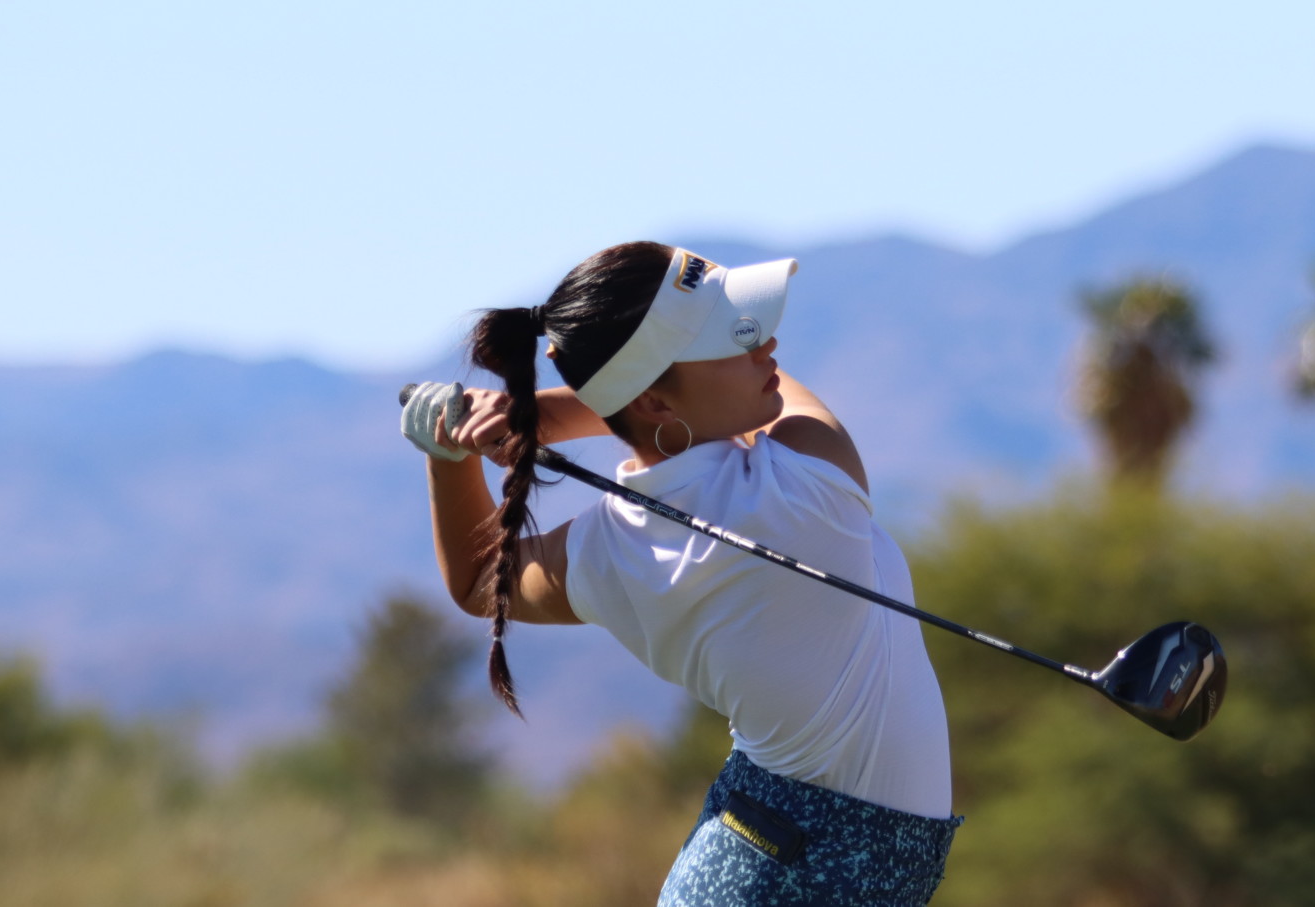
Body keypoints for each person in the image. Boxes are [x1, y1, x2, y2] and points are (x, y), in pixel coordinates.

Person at [400, 241, 961, 905]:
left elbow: (477, 580)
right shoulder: (808, 485)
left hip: (757, 854)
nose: (769, 344)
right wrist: (542, 415)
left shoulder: (604, 550)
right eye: (738, 335)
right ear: (657, 405)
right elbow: (779, 402)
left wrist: (448, 455)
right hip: (783, 868)